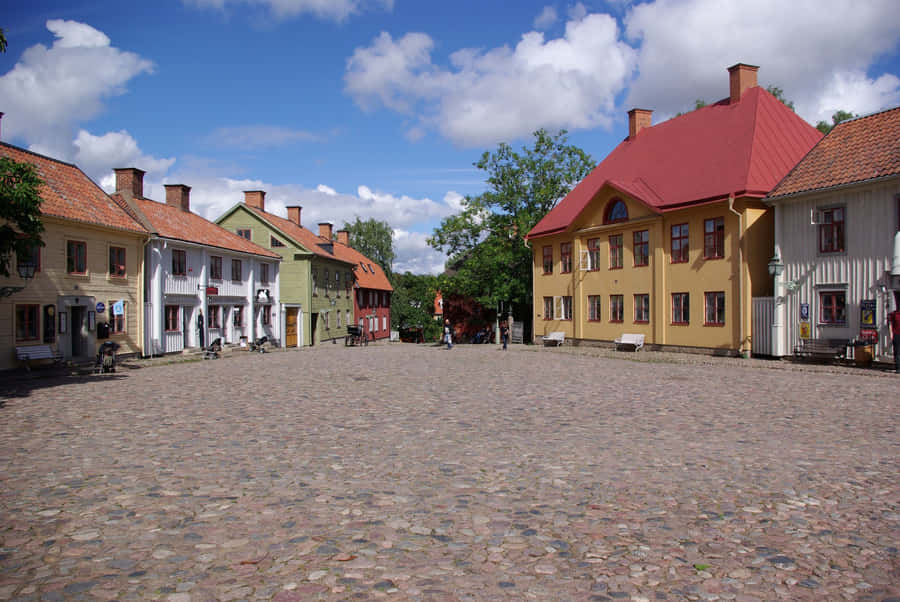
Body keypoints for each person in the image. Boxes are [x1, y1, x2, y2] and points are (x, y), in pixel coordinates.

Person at [890, 297, 900, 373]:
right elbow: (891, 324)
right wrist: (891, 334)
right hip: (896, 334)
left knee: (897, 352)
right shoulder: (894, 314)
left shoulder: (894, 314)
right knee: (897, 352)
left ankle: (898, 367)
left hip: (896, 334)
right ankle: (898, 367)